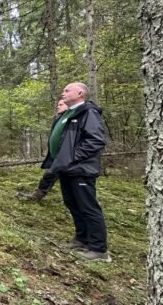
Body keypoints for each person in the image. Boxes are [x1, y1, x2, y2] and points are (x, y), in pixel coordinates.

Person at [48, 82, 109, 262]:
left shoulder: (88, 113)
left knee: (88, 207)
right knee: (72, 203)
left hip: (80, 169)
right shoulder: (70, 113)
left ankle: (99, 249)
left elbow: (96, 140)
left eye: (67, 90)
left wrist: (72, 157)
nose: (63, 92)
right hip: (66, 168)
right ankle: (82, 239)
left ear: (80, 93)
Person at [17, 99, 68, 201]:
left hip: (66, 156)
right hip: (57, 156)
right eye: (58, 104)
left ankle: (73, 205)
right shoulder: (59, 118)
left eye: (61, 105)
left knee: (64, 179)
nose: (58, 106)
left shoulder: (71, 118)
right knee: (49, 175)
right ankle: (37, 195)